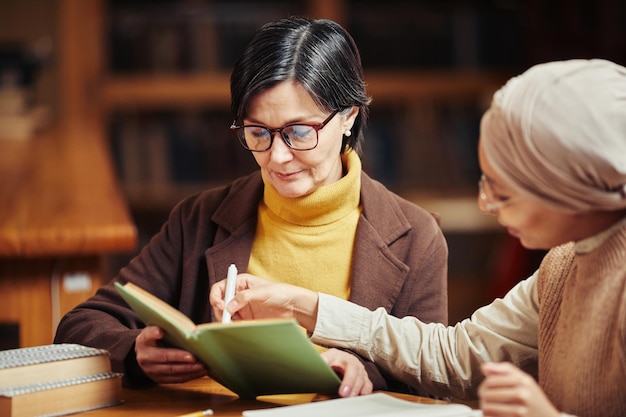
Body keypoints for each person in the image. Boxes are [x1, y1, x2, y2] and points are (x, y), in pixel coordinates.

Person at [54, 16, 449, 396]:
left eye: (298, 132)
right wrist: (136, 351)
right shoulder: (199, 219)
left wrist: (366, 374)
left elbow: (434, 377)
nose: (276, 157)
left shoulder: (416, 238)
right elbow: (81, 324)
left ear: (348, 115)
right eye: (258, 132)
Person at [211, 58, 626, 417]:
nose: (485, 204)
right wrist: (305, 305)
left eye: (503, 189)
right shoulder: (563, 264)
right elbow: (453, 356)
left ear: (576, 182)